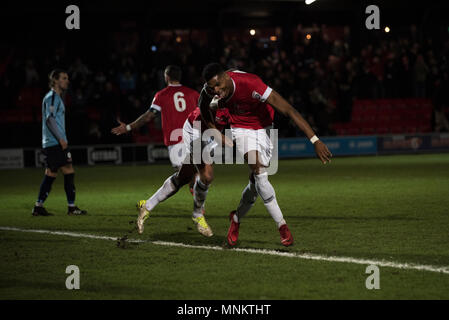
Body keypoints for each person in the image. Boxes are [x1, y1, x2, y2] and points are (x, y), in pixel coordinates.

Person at [200, 63, 332, 247]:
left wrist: (315, 140)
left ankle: (236, 218)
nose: (215, 91)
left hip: (264, 128)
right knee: (259, 171)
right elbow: (203, 107)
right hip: (241, 129)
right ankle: (282, 227)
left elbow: (289, 110)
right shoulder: (209, 90)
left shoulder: (251, 83)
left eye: (217, 86)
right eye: (211, 88)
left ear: (226, 77)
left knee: (256, 184)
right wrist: (214, 130)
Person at [136, 98, 231, 237]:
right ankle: (198, 215)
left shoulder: (240, 105)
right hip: (195, 130)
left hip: (209, 134)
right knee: (207, 175)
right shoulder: (220, 94)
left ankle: (147, 205)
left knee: (182, 177)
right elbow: (211, 109)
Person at [111, 65, 198, 171]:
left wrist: (128, 127)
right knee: (194, 173)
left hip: (175, 140)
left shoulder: (161, 95)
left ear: (166, 77)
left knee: (183, 174)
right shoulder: (194, 94)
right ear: (180, 77)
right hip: (193, 139)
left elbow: (148, 116)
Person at [32, 69, 87, 216]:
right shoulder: (52, 97)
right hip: (55, 142)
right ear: (55, 80)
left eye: (67, 78)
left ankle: (38, 206)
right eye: (64, 78)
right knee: (68, 170)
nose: (67, 81)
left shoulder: (56, 98)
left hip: (53, 142)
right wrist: (60, 138)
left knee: (51, 173)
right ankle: (71, 207)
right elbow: (49, 119)